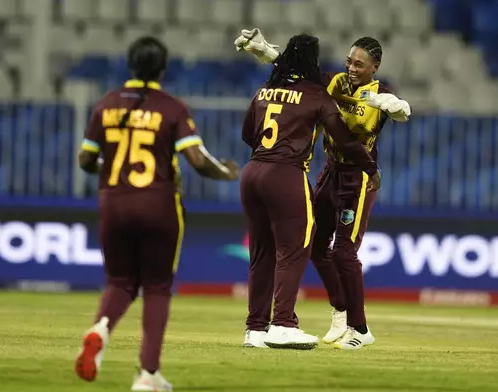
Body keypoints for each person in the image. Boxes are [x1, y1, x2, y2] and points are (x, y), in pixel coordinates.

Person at [75, 36, 239, 391]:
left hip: (113, 202)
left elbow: (85, 160)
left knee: (119, 282)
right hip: (158, 205)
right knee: (157, 288)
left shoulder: (106, 104)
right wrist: (225, 172)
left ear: (130, 65)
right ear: (163, 69)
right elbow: (197, 160)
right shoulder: (172, 107)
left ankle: (100, 328)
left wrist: (109, 168)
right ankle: (148, 374)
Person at [235, 28, 411, 350]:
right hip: (329, 172)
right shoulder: (330, 83)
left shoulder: (381, 94)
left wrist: (396, 105)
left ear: (375, 67)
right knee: (314, 244)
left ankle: (360, 329)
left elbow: (402, 112)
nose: (352, 68)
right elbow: (295, 65)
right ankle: (340, 312)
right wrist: (263, 50)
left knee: (344, 252)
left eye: (360, 64)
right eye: (349, 61)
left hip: (358, 179)